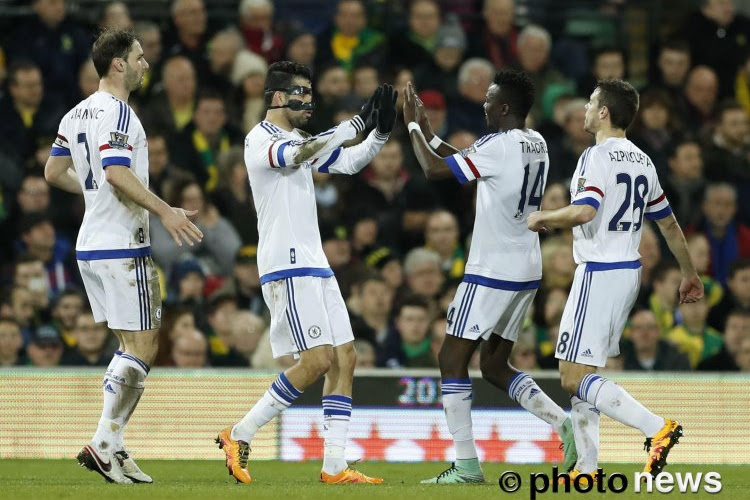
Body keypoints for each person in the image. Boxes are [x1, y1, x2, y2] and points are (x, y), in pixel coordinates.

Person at [215, 61, 397, 485]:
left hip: (315, 263)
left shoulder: (302, 137)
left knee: (345, 358)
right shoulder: (261, 138)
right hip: (287, 263)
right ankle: (238, 433)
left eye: (311, 95)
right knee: (317, 360)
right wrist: (354, 123)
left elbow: (347, 163)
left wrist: (380, 133)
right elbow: (294, 157)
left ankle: (334, 465)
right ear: (278, 97)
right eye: (301, 94)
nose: (308, 102)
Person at [43, 29, 203, 484]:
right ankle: (104, 442)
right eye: (138, 57)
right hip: (121, 243)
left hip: (90, 243)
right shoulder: (119, 113)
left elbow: (54, 171)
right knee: (146, 343)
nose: (144, 64)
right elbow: (115, 172)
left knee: (129, 346)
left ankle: (115, 446)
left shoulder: (75, 113)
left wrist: (92, 195)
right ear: (118, 64)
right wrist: (165, 210)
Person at [403, 69, 577, 483]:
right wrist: (429, 131)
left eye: (489, 99)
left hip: (490, 270)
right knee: (495, 365)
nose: (483, 104)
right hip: (525, 268)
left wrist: (410, 123)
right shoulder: (536, 142)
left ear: (503, 108)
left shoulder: (496, 146)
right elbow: (465, 161)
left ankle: (466, 466)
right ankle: (562, 422)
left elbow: (434, 169)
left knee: (450, 358)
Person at [527, 78, 704, 482]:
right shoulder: (644, 160)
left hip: (600, 271)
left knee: (572, 376)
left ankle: (656, 427)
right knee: (583, 372)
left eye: (591, 103)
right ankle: (586, 468)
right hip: (627, 272)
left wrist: (544, 217)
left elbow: (585, 210)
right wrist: (689, 272)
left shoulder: (596, 155)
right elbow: (670, 225)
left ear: (604, 111)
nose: (586, 110)